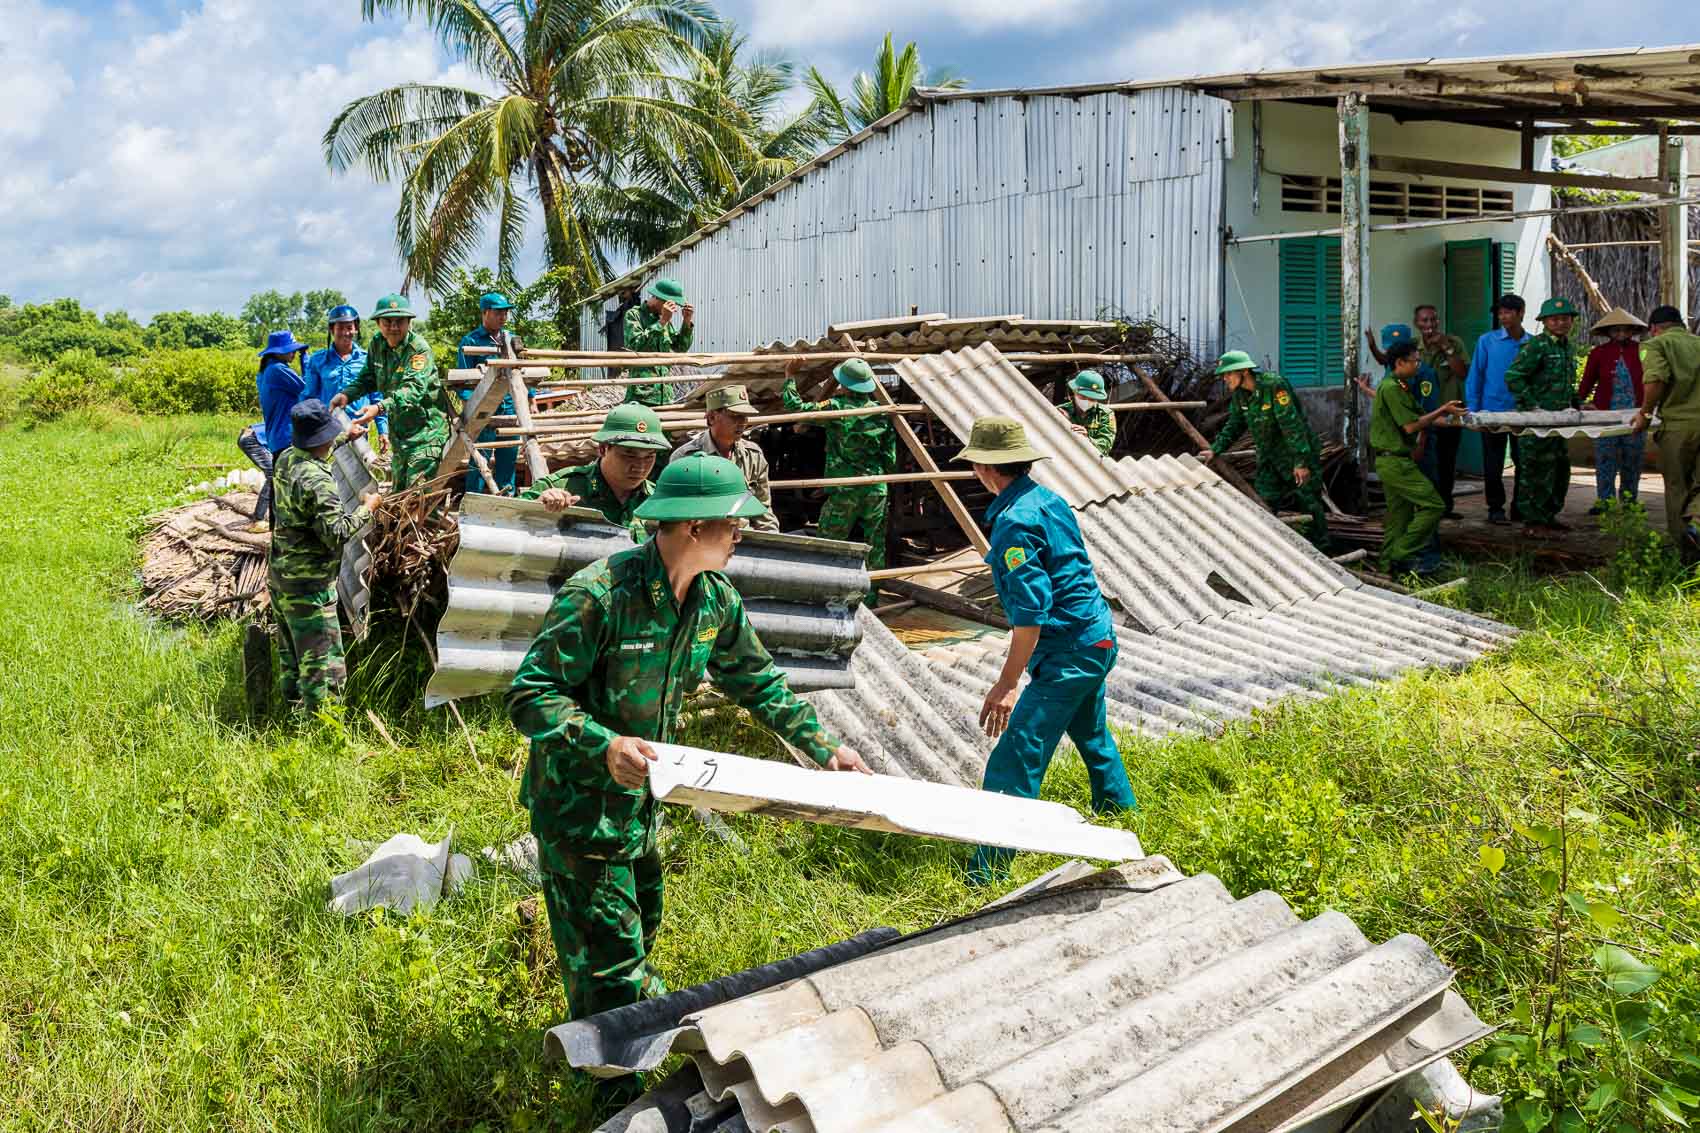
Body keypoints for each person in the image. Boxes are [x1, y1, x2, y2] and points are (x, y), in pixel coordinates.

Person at [505, 454, 869, 1067]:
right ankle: (609, 1085)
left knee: (637, 938)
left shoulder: (712, 602)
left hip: (645, 808)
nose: (740, 537)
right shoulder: (601, 596)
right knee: (611, 966)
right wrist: (607, 744)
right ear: (695, 529)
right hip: (580, 812)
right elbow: (531, 695)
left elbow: (759, 682)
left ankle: (610, 1044)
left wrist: (824, 747)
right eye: (733, 526)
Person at [955, 416, 1137, 884]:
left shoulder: (1013, 523)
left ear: (984, 467)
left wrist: (1006, 684)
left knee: (1016, 754)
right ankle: (1122, 819)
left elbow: (1030, 615)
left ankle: (987, 872)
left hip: (1070, 651)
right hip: (1096, 636)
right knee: (1091, 735)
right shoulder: (1048, 501)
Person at [268, 399, 380, 715]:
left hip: (282, 578)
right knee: (323, 665)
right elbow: (338, 532)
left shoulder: (286, 459)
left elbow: (319, 451)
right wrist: (367, 508)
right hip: (310, 586)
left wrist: (348, 436)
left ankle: (290, 717)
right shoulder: (317, 482)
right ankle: (323, 732)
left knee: (292, 656)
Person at [781, 357, 897, 606]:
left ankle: (824, 596)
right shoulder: (880, 413)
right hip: (876, 488)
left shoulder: (837, 407)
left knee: (829, 543)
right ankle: (872, 597)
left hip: (845, 490)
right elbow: (890, 458)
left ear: (843, 384)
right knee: (874, 546)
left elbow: (797, 408)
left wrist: (790, 376)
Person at [1201, 350, 1328, 550]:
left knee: (1309, 501)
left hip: (1295, 454)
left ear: (1244, 371)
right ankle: (1268, 549)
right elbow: (1235, 424)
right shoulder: (1240, 395)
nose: (1225, 379)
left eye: (1228, 373)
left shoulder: (1273, 386)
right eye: (1223, 375)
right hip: (1269, 457)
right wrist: (1216, 449)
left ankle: (1322, 552)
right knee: (1264, 502)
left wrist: (1301, 462)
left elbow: (1291, 425)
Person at [330, 293, 450, 491]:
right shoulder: (377, 344)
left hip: (425, 436)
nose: (393, 327)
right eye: (387, 321)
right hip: (400, 438)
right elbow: (367, 378)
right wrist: (346, 395)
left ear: (409, 322)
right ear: (378, 323)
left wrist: (379, 408)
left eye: (399, 321)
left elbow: (413, 390)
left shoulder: (418, 349)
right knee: (399, 495)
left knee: (418, 497)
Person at [1367, 342, 1466, 576]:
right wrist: (1442, 410)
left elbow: (1423, 417)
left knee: (1398, 517)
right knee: (1434, 505)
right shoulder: (1391, 388)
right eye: (1415, 361)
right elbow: (1412, 426)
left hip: (1394, 460)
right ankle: (1401, 553)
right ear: (1400, 363)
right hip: (1396, 462)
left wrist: (1459, 420)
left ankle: (1387, 568)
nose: (1418, 365)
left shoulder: (1398, 387)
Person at [521, 404, 671, 541]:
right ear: (603, 449)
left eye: (649, 456)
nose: (640, 466)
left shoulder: (659, 501)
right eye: (629, 455)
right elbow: (506, 522)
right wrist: (538, 508)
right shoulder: (561, 485)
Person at [1503, 296, 1582, 537]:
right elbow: (1514, 376)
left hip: (1560, 422)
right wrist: (1533, 405)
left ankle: (1549, 516)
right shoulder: (1537, 346)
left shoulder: (1567, 347)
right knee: (1535, 470)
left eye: (1565, 319)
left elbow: (1567, 382)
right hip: (1537, 422)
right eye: (1555, 319)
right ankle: (1533, 521)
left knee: (1559, 469)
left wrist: (1577, 404)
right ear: (1545, 322)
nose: (1561, 323)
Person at [1632, 304, 1700, 553]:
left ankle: (1683, 548)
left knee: (1677, 486)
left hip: (1678, 429)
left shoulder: (1654, 345)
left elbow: (1655, 380)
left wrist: (1645, 414)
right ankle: (1697, 525)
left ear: (1654, 329)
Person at [1465, 293, 1533, 525]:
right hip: (1491, 412)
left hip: (1523, 414)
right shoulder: (1487, 341)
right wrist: (1473, 410)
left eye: (1508, 312)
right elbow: (1476, 375)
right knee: (1492, 465)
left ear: (1521, 312)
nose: (1503, 317)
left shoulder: (1532, 343)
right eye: (1500, 313)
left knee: (1523, 462)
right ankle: (1495, 508)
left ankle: (1520, 507)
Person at [672, 385, 779, 532]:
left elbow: (763, 510)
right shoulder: (685, 459)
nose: (742, 422)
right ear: (711, 418)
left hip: (743, 537)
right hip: (700, 540)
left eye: (745, 416)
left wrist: (772, 541)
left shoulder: (753, 456)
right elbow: (676, 515)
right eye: (735, 415)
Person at [456, 291, 532, 494]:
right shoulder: (471, 341)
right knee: (479, 462)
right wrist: (469, 409)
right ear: (485, 313)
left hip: (509, 408)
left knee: (508, 463)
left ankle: (506, 502)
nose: (503, 317)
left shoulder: (511, 339)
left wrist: (530, 399)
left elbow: (522, 371)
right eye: (498, 313)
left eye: (505, 313)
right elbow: (463, 382)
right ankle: (473, 502)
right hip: (484, 411)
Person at [1579, 307, 1647, 514]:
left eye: (1625, 330)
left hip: (1635, 414)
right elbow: (1587, 381)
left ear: (1632, 331)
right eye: (1616, 330)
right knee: (1605, 459)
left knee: (1632, 460)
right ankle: (1605, 502)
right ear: (1608, 332)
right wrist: (1580, 402)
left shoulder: (1643, 350)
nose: (1620, 334)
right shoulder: (1598, 353)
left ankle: (1629, 500)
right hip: (1605, 415)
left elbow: (1652, 378)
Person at [304, 305, 387, 454]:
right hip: (328, 430)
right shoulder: (317, 360)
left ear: (356, 329)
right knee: (330, 472)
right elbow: (309, 397)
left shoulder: (367, 359)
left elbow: (376, 397)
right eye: (340, 328)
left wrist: (383, 431)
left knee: (359, 473)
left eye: (349, 327)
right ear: (331, 330)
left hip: (359, 429)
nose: (345, 333)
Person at [1414, 305, 1469, 518]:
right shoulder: (1412, 347)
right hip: (1423, 416)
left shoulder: (1455, 343)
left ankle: (1445, 507)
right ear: (1416, 323)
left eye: (1433, 320)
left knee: (1447, 463)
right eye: (1424, 321)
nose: (1429, 325)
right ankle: (1425, 508)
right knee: (1424, 462)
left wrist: (1446, 347)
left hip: (1449, 415)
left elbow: (1462, 372)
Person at [256, 329, 311, 523]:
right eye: (291, 349)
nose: (293, 353)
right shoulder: (278, 370)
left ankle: (275, 532)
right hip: (286, 437)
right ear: (277, 351)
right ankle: (284, 535)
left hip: (275, 437)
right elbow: (308, 389)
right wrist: (306, 360)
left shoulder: (264, 372)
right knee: (289, 491)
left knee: (279, 490)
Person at [621, 279, 693, 407]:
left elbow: (680, 348)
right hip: (642, 396)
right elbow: (635, 346)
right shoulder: (634, 315)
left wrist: (686, 321)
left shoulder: (663, 320)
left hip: (665, 395)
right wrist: (662, 322)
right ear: (659, 299)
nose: (673, 309)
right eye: (671, 304)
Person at [1060, 370, 1116, 455]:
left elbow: (1105, 447)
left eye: (1092, 398)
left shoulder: (1105, 414)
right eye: (1083, 396)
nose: (1087, 400)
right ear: (1074, 391)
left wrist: (1087, 438)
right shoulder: (1061, 411)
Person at [236, 421, 273, 532]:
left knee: (277, 474)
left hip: (251, 435)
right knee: (274, 475)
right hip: (253, 438)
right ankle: (258, 520)